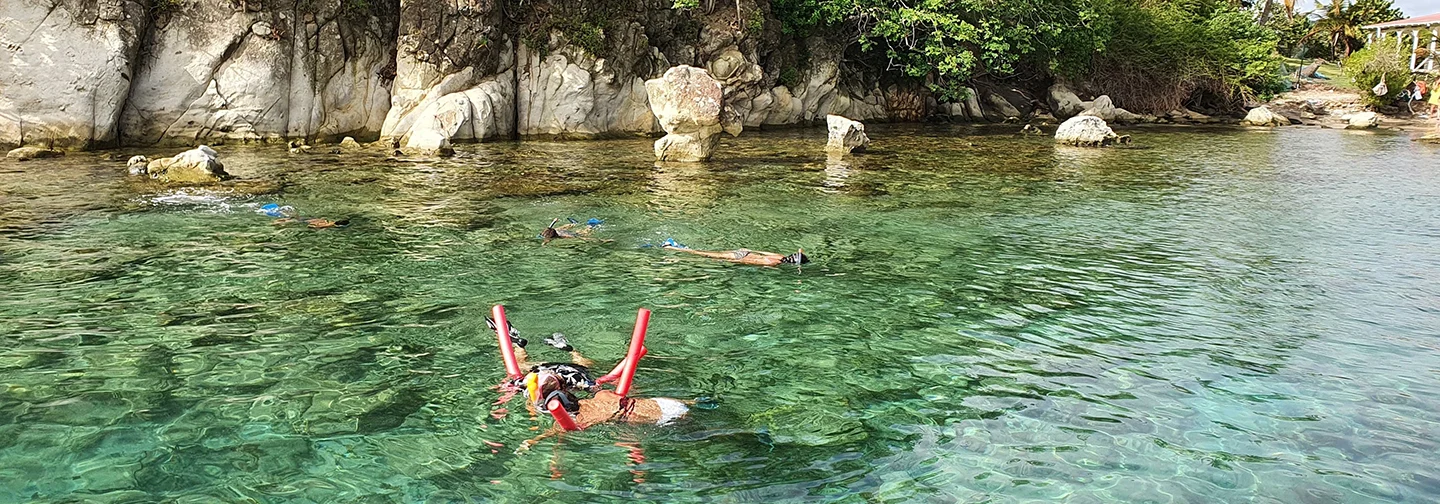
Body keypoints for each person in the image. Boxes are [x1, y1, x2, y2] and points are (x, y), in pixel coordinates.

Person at [660, 238, 809, 267]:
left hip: (743, 252)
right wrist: (733, 261)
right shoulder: (774, 263)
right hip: (740, 257)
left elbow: (760, 252)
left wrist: (745, 250)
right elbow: (752, 262)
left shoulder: (779, 256)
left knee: (708, 252)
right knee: (704, 255)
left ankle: (678, 246)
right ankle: (671, 248)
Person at [258, 203, 349, 229]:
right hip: (302, 220)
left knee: (289, 219)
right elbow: (310, 226)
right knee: (286, 220)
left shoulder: (326, 222)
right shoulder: (324, 223)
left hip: (304, 219)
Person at [540, 217, 604, 244]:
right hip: (560, 231)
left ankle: (590, 225)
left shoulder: (565, 236)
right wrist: (554, 221)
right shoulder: (547, 232)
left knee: (583, 232)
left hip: (572, 234)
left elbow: (583, 238)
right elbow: (549, 227)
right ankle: (574, 224)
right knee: (560, 228)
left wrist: (602, 240)